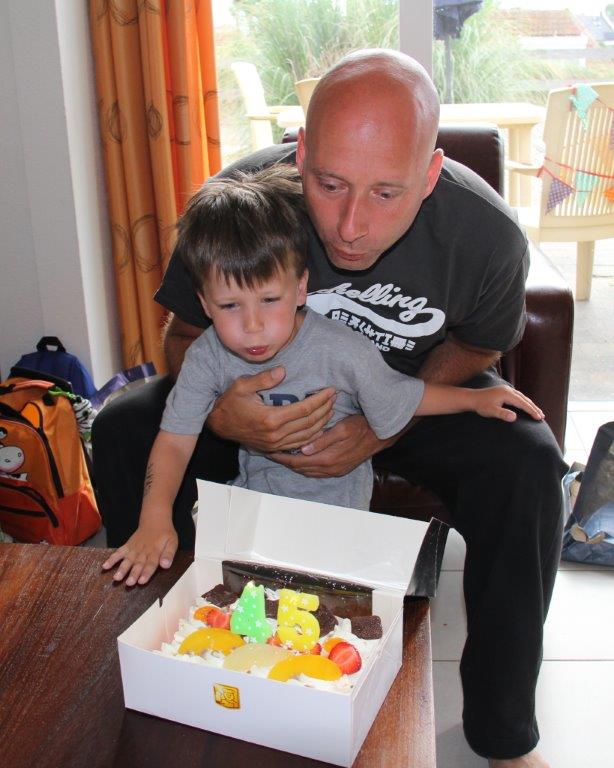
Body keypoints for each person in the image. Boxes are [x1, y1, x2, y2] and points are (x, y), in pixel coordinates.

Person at [93, 50, 567, 767]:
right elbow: (183, 336)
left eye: (386, 193)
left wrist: (380, 426)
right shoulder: (242, 207)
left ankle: (504, 735)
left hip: (407, 395)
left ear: (430, 176)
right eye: (329, 184)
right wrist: (224, 415)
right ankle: (174, 656)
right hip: (255, 396)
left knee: (528, 462)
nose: (350, 225)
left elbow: (479, 344)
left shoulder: (485, 235)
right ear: (300, 154)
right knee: (124, 426)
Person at [103, 164, 543, 589]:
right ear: (205, 302)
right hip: (257, 518)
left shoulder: (342, 349)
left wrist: (475, 399)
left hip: (339, 524)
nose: (252, 326)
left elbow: (405, 395)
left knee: (328, 620)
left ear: (301, 289)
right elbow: (174, 440)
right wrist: (154, 517)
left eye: (269, 300)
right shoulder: (207, 355)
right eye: (230, 306)